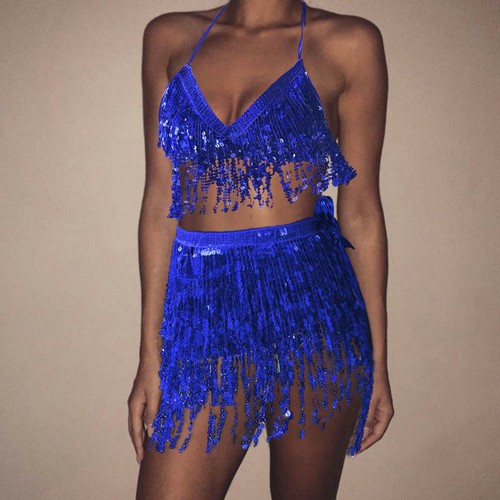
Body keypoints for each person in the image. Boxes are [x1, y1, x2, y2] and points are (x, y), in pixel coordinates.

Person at [129, 0, 393, 498]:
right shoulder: (168, 36)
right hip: (202, 316)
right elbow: (161, 201)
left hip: (315, 315)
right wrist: (150, 356)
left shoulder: (350, 42)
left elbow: (361, 211)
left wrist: (378, 361)